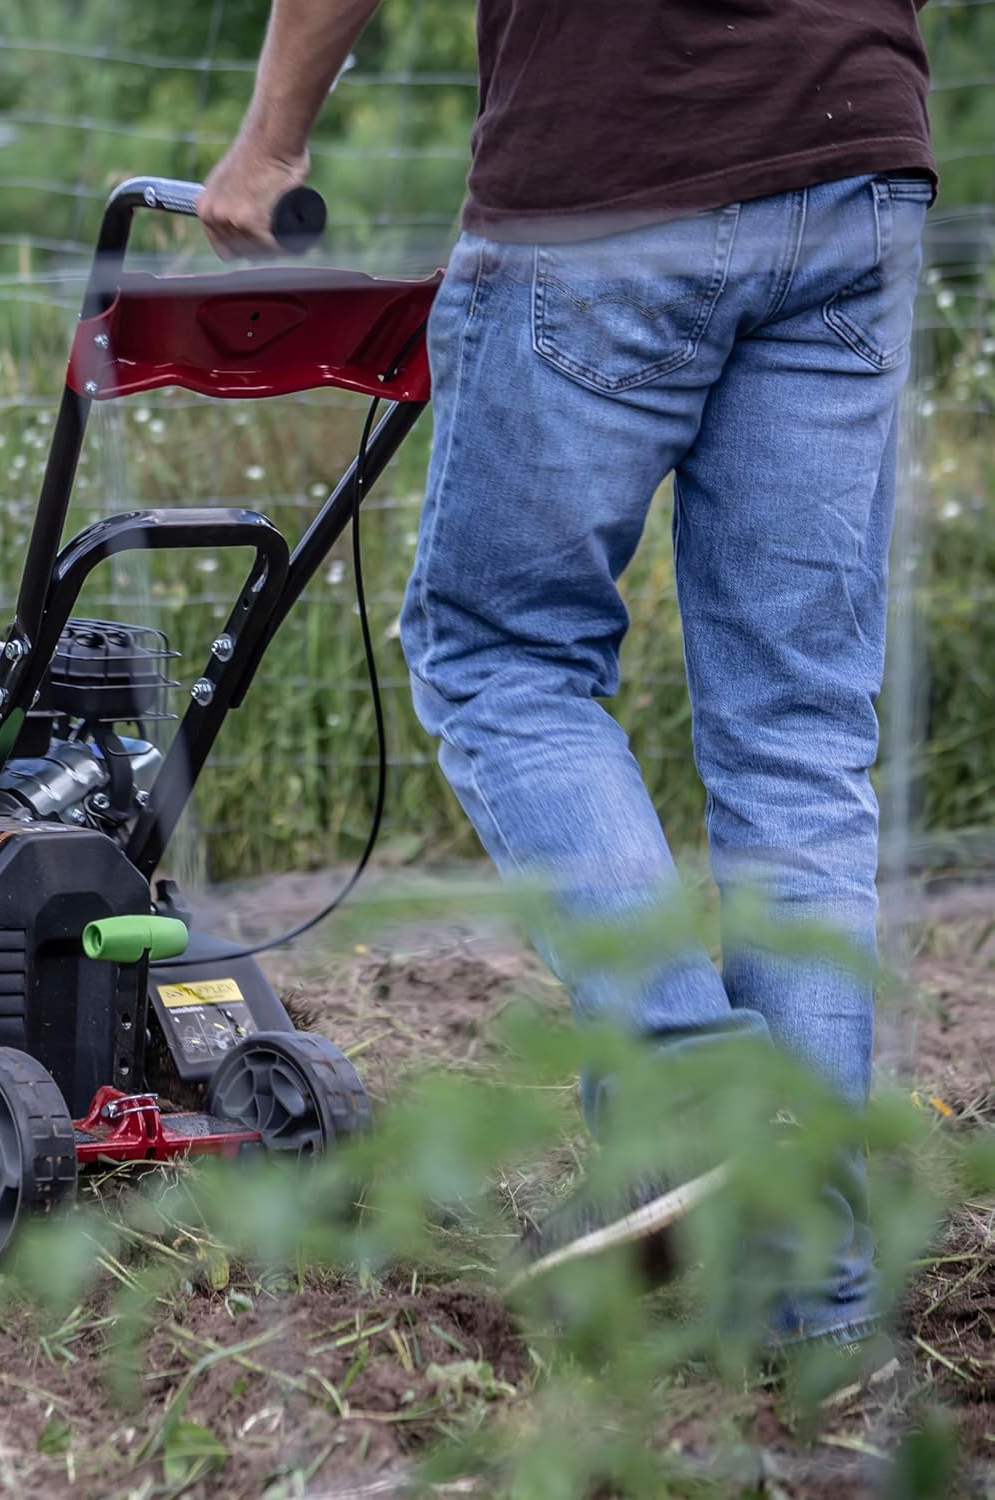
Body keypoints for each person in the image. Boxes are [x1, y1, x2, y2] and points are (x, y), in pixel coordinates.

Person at [200, 0, 935, 1362]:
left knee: (501, 659)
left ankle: (694, 1093)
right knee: (801, 735)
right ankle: (811, 1282)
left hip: (616, 166)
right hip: (854, 159)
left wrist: (267, 146)